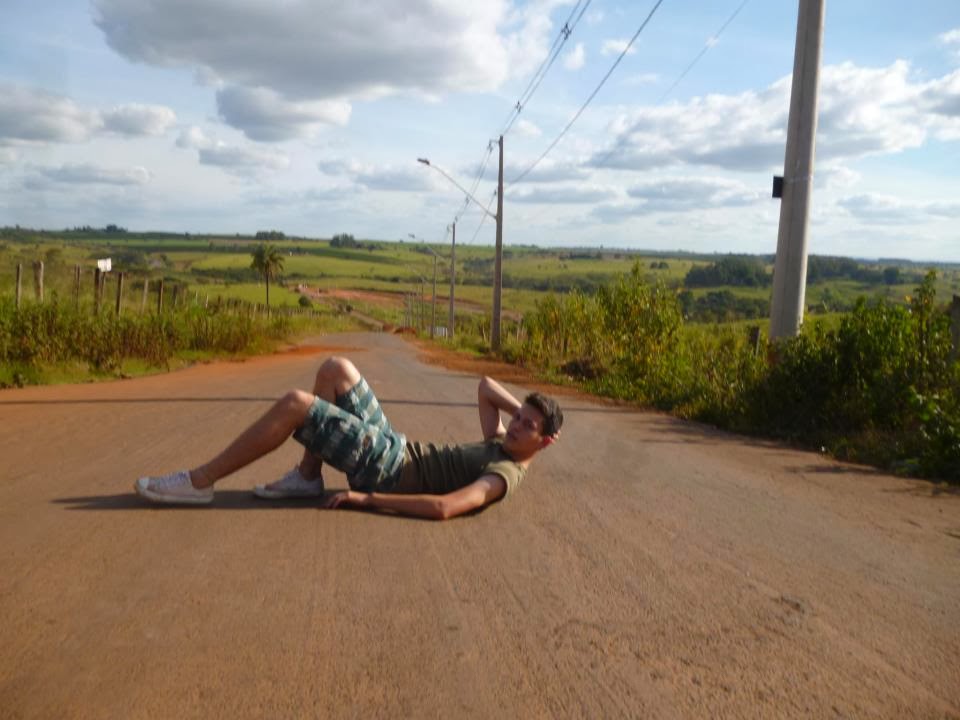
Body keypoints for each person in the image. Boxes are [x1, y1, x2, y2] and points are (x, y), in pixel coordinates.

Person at [135, 356, 562, 519]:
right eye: (518, 418)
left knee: (297, 404)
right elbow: (486, 387)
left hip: (386, 471)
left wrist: (367, 499)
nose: (516, 426)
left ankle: (200, 481)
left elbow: (446, 507)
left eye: (528, 426)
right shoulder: (505, 440)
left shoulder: (503, 472)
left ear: (545, 443)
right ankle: (307, 477)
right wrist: (526, 414)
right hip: (394, 445)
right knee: (335, 369)